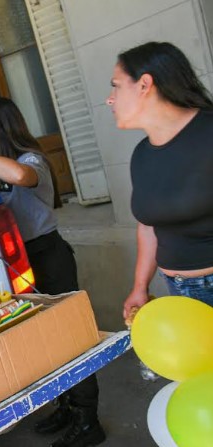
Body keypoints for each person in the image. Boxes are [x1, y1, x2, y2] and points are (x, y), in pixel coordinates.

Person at [0, 97, 105, 447]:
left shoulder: (31, 159)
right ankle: (67, 406)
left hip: (49, 256)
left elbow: (20, 176)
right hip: (19, 263)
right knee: (46, 342)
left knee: (70, 338)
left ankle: (88, 421)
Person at [106, 41, 213, 317]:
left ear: (144, 85)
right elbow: (148, 227)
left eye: (116, 85)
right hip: (178, 292)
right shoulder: (141, 155)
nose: (110, 98)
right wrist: (140, 286)